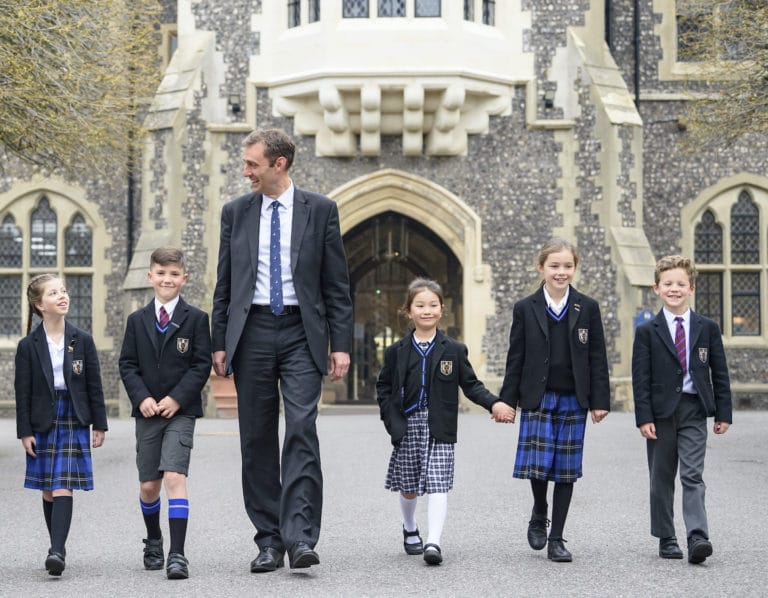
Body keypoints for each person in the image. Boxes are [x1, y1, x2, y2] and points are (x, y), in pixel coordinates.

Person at [211, 128, 353, 572]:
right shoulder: (235, 212)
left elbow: (337, 284)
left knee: (301, 430)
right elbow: (225, 283)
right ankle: (269, 540)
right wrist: (219, 342)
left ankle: (301, 537)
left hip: (300, 333)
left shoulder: (321, 210)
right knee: (255, 439)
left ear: (279, 164)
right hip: (251, 331)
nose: (245, 171)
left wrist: (342, 345)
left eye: (252, 164)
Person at [376, 278, 516, 566]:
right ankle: (410, 526)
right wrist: (392, 423)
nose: (427, 310)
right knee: (409, 485)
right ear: (408, 311)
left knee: (438, 483)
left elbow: (471, 385)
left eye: (433, 305)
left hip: (441, 425)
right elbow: (384, 388)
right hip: (408, 425)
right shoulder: (396, 352)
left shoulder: (453, 349)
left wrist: (495, 403)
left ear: (442, 310)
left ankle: (433, 542)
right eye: (420, 305)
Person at [499, 238, 610, 563]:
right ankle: (539, 509)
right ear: (541, 268)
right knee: (538, 467)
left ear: (574, 268)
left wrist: (599, 400)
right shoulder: (525, 307)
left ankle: (557, 538)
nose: (561, 272)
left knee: (566, 470)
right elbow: (515, 357)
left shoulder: (587, 307)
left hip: (574, 399)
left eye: (567, 266)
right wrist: (507, 401)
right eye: (554, 266)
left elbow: (597, 357)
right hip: (538, 396)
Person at [632, 255, 731, 564]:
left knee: (692, 474)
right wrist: (644, 417)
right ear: (657, 288)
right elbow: (641, 378)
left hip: (693, 410)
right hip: (660, 415)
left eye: (680, 284)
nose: (674, 289)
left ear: (691, 288)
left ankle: (698, 536)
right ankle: (666, 536)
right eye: (668, 284)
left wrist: (723, 412)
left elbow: (720, 371)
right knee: (661, 476)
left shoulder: (707, 328)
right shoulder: (648, 331)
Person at [119, 247, 212, 579]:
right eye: (161, 273)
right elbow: (127, 364)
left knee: (174, 476)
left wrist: (177, 398)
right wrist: (142, 397)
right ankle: (154, 539)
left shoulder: (197, 319)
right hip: (147, 413)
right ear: (150, 277)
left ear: (183, 279)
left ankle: (177, 554)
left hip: (181, 412)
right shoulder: (136, 321)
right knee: (149, 486)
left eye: (174, 274)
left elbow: (201, 365)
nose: (167, 279)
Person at [15, 274, 108, 576]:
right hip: (42, 418)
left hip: (72, 415)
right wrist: (24, 431)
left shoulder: (82, 340)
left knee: (62, 483)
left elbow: (94, 385)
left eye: (64, 291)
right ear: (40, 304)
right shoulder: (28, 345)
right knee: (47, 488)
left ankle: (57, 550)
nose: (63, 296)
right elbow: (23, 391)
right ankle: (57, 544)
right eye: (54, 293)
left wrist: (100, 425)